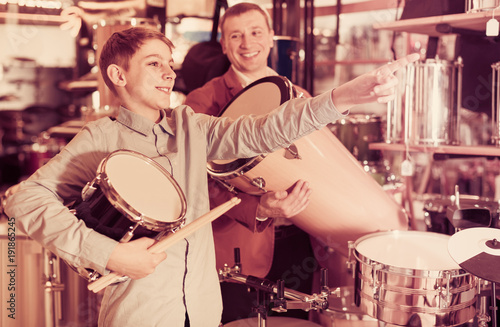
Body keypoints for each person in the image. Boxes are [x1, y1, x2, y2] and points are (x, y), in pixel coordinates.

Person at [4, 25, 419, 327]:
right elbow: (22, 199)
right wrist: (109, 254)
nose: (169, 73)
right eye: (154, 64)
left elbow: (264, 129)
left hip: (204, 312)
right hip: (141, 316)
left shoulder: (192, 126)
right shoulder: (99, 138)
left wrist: (344, 96)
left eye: (170, 63)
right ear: (118, 75)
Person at [184, 2, 318, 323]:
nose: (247, 43)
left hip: (301, 243)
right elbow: (194, 182)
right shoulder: (203, 101)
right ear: (224, 45)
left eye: (256, 32)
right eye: (236, 35)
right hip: (238, 252)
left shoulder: (301, 97)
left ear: (271, 37)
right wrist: (259, 208)